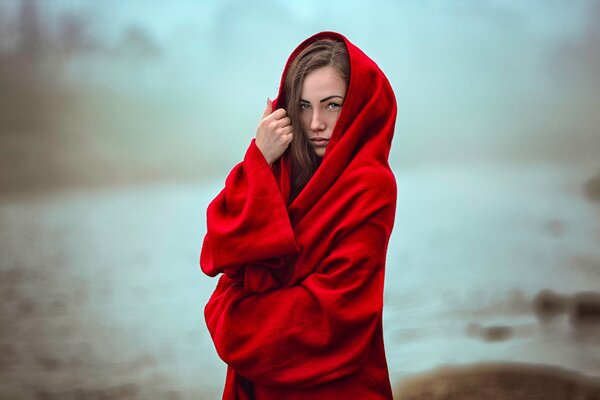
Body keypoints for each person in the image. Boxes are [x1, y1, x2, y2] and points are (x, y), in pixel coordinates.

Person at [200, 31, 397, 400]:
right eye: (304, 106)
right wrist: (259, 159)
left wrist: (234, 320)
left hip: (338, 385)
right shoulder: (283, 168)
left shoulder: (370, 185)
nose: (316, 123)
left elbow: (334, 312)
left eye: (332, 105)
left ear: (355, 105)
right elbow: (219, 250)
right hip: (263, 379)